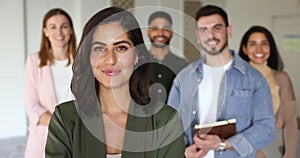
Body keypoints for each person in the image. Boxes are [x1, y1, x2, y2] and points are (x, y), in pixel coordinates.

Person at [45, 6, 185, 158]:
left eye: (121, 48)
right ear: (88, 57)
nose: (110, 59)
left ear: (137, 55)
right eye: (99, 48)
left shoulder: (165, 121)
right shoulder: (65, 119)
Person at [167, 5, 275, 158]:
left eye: (217, 28)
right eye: (204, 30)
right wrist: (182, 151)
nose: (210, 35)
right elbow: (169, 126)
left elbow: (266, 127)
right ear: (198, 36)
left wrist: (223, 144)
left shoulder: (254, 79)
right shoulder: (184, 78)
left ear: (228, 31)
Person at [24, 8, 76, 158]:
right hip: (43, 135)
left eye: (64, 26)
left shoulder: (82, 61)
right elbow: (32, 105)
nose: (59, 32)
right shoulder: (34, 61)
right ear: (45, 31)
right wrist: (60, 125)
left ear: (71, 30)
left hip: (76, 133)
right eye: (53, 27)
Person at [239, 25, 298, 158]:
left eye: (264, 44)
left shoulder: (282, 78)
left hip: (275, 147)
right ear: (245, 49)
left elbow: (290, 120)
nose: (259, 49)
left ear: (270, 48)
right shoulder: (236, 79)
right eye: (253, 44)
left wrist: (289, 155)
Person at [147, 11, 188, 103]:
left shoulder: (183, 66)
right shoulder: (138, 62)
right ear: (148, 32)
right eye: (155, 28)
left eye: (165, 28)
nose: (160, 33)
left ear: (172, 32)